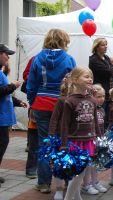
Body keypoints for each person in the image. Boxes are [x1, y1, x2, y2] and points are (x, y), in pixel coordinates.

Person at [26, 29, 76, 193]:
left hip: (41, 103)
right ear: (64, 41)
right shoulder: (69, 59)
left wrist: (32, 103)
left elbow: (31, 84)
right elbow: (73, 85)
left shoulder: (37, 59)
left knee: (44, 143)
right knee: (65, 143)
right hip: (62, 105)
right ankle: (68, 182)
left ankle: (43, 184)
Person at [60, 67, 101, 200]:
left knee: (81, 173)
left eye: (91, 76)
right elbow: (64, 124)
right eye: (86, 76)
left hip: (89, 141)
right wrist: (64, 144)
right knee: (78, 174)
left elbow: (95, 122)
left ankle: (77, 197)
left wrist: (99, 140)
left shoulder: (93, 100)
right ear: (75, 80)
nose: (90, 79)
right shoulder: (69, 101)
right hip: (75, 141)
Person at [0, 44, 25, 186]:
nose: (8, 57)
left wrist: (17, 101)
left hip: (3, 118)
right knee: (2, 144)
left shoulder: (1, 73)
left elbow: (5, 95)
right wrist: (13, 86)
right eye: (6, 54)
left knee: (3, 144)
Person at [81, 84, 108, 195]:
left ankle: (95, 181)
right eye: (99, 96)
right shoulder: (89, 109)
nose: (101, 99)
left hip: (98, 139)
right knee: (88, 164)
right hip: (89, 139)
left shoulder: (102, 110)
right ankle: (86, 185)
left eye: (103, 96)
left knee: (96, 164)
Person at [89, 38, 113, 129]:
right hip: (100, 92)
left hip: (110, 92)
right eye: (103, 45)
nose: (106, 47)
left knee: (108, 114)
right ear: (96, 47)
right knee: (100, 114)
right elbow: (109, 72)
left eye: (106, 44)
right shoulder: (94, 60)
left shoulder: (106, 58)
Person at [48, 73, 70, 200]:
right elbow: (54, 119)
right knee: (59, 163)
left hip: (73, 137)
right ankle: (59, 189)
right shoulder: (61, 100)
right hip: (60, 137)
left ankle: (70, 186)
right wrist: (51, 135)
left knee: (70, 164)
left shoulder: (78, 99)